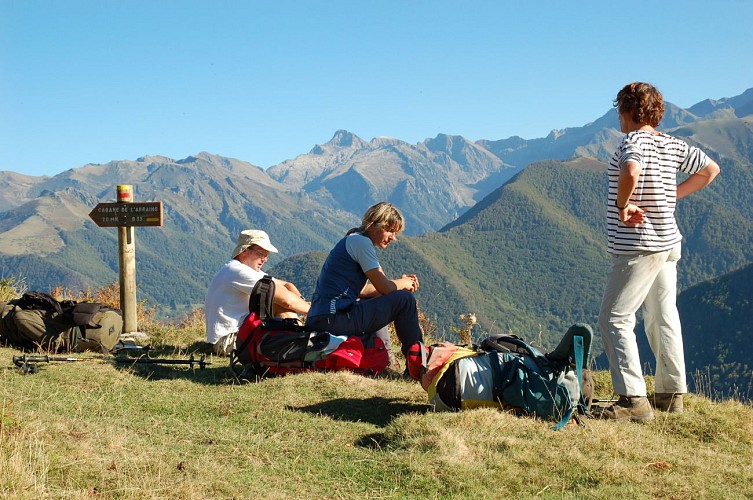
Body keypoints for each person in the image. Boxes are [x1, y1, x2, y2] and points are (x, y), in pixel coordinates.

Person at [598, 82, 720, 421]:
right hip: (668, 243)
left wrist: (624, 205)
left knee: (614, 319)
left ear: (626, 111)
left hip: (640, 246)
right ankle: (670, 394)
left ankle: (632, 401)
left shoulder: (632, 142)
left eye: (619, 110)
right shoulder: (672, 144)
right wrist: (673, 197)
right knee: (662, 316)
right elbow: (710, 170)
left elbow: (631, 170)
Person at [305, 202, 423, 372]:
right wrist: (404, 283)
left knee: (380, 299)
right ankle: (417, 366)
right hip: (332, 318)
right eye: (390, 230)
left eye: (395, 233)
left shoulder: (355, 239)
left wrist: (395, 286)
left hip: (322, 317)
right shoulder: (361, 243)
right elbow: (386, 288)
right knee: (404, 300)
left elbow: (365, 290)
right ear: (374, 225)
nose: (393, 238)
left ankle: (386, 360)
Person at [205, 229, 310, 356]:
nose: (264, 259)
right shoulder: (238, 271)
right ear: (245, 251)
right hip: (227, 341)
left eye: (266, 255)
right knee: (279, 305)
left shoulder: (244, 269)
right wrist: (315, 311)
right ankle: (303, 345)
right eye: (261, 254)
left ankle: (302, 342)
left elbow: (287, 285)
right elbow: (286, 301)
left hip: (239, 333)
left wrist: (301, 301)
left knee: (277, 304)